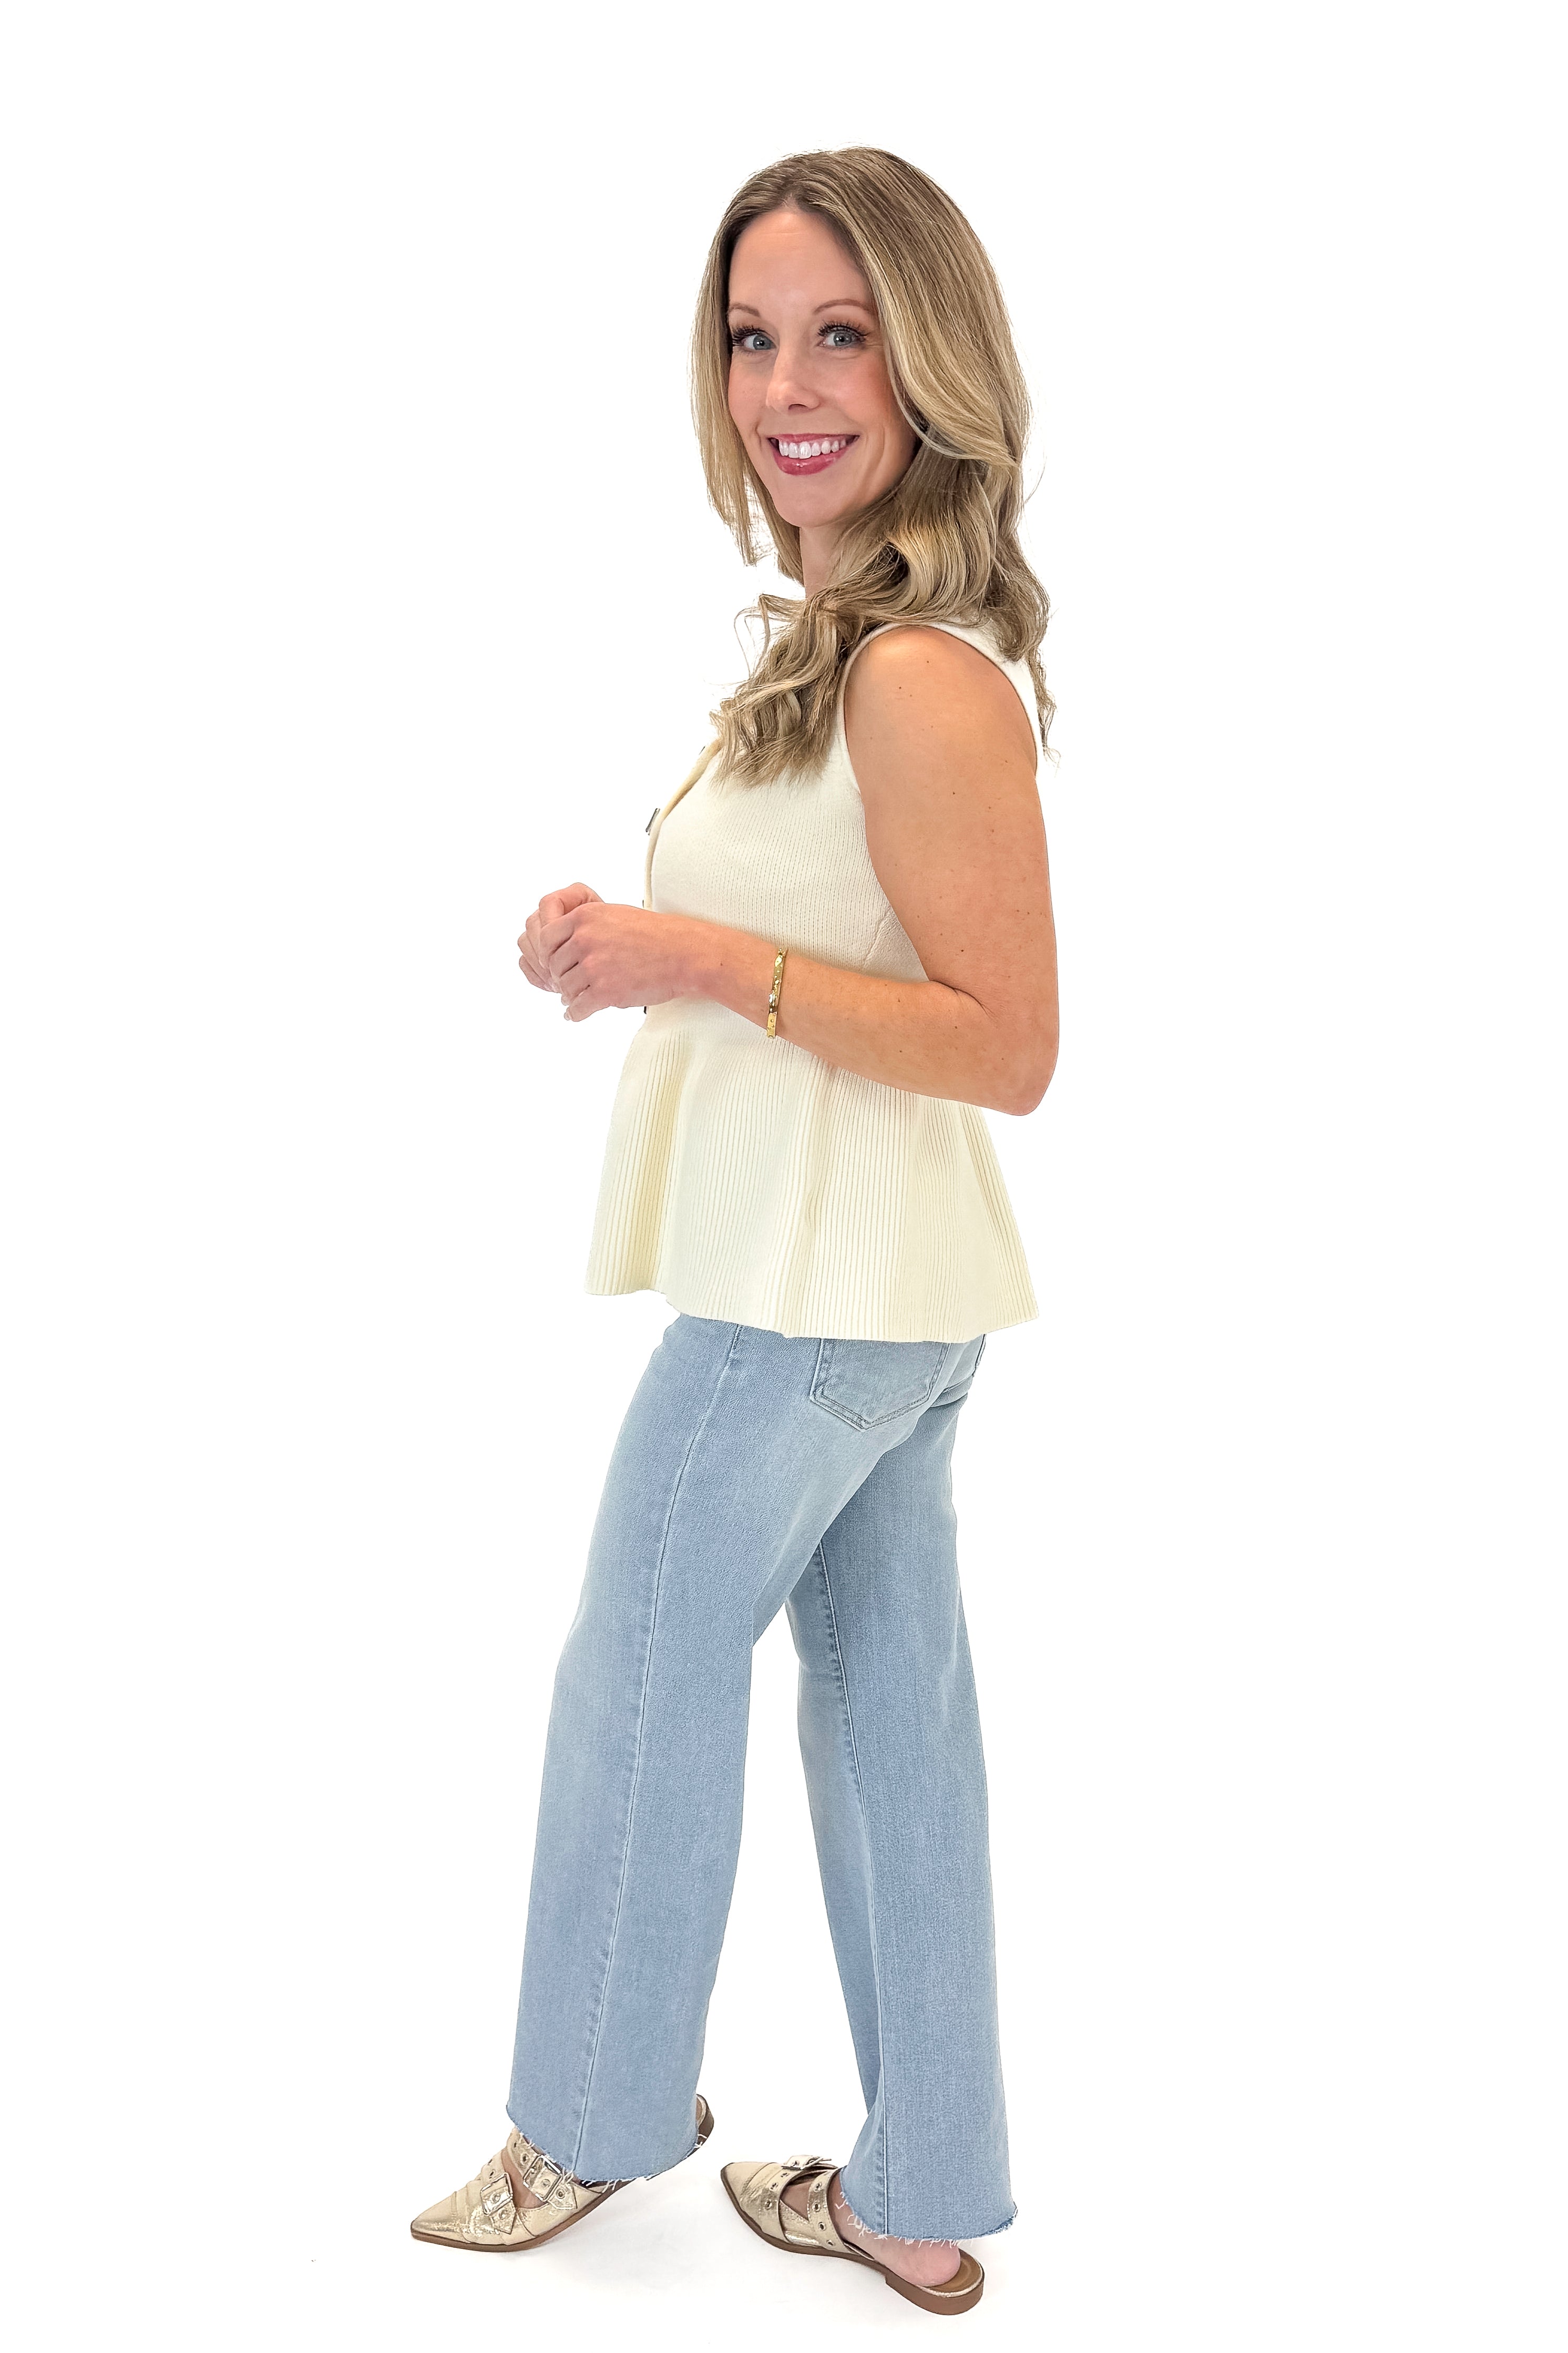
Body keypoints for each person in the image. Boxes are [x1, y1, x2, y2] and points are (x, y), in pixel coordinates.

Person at [411, 146, 1059, 2319]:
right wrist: (628, 946)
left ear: (929, 363)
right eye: (752, 334)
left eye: (841, 334)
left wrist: (688, 957)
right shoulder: (845, 649)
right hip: (882, 1300)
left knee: (639, 1675)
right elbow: (840, 947)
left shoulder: (915, 679)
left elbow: (1005, 1044)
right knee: (890, 1725)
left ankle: (593, 2116)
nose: (785, 385)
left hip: (806, 1308)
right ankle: (919, 2190)